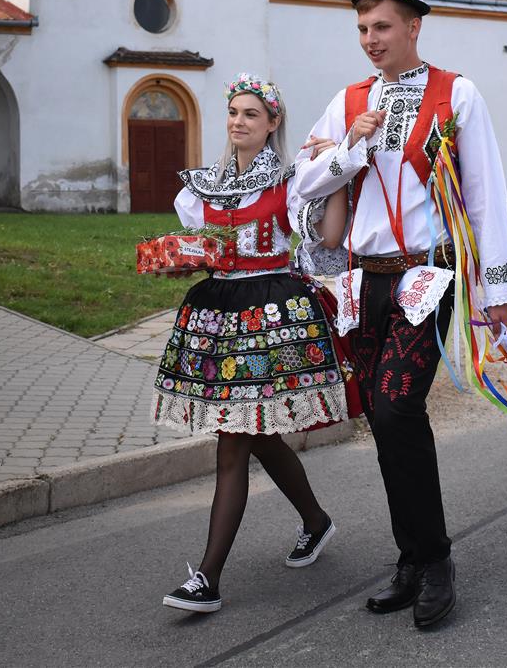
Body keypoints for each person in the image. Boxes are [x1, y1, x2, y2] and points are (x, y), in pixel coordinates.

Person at [292, 0, 507, 629]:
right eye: (362, 29)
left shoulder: (455, 93)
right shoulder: (347, 102)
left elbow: (484, 194)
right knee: (382, 414)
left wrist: (501, 289)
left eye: (382, 27)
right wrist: (352, 146)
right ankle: (411, 556)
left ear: (413, 27)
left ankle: (432, 561)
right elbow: (303, 185)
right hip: (363, 281)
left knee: (398, 407)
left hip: (428, 276)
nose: (371, 40)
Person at [153, 75, 350, 614]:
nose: (238, 121)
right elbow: (206, 249)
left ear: (272, 123)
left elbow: (328, 246)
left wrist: (340, 179)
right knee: (254, 434)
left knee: (234, 438)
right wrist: (184, 261)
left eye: (251, 114)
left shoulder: (291, 182)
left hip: (270, 318)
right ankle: (316, 520)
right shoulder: (201, 187)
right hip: (217, 316)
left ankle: (208, 578)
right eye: (233, 112)